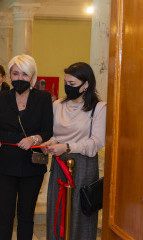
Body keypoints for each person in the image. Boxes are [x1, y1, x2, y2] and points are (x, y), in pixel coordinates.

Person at [0, 54, 53, 240]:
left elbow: (48, 130)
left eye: (25, 74)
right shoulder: (0, 99)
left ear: (32, 76)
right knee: (4, 217)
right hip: (4, 166)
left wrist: (34, 139)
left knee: (26, 217)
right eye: (15, 73)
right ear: (9, 75)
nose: (20, 78)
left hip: (32, 166)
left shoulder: (44, 98)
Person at [42, 62, 107, 240]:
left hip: (84, 166)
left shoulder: (99, 108)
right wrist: (49, 143)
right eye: (66, 83)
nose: (67, 88)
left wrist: (68, 147)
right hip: (60, 165)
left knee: (80, 214)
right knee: (57, 209)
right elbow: (56, 135)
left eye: (72, 84)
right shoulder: (58, 105)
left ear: (85, 85)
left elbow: (96, 143)